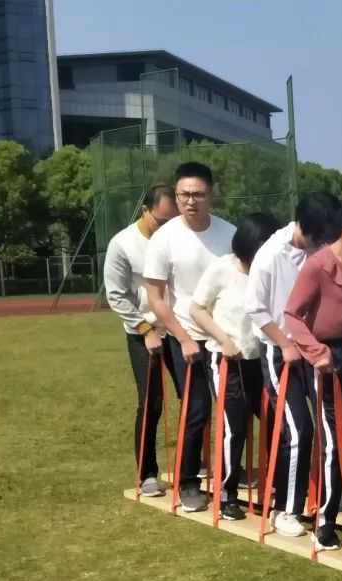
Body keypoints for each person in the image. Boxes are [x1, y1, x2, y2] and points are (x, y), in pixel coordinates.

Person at [284, 198, 342, 551]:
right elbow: (292, 314)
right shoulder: (318, 265)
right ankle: (324, 521)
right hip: (326, 357)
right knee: (337, 433)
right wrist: (316, 351)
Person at [245, 193, 342, 538]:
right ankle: (286, 509)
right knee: (299, 431)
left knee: (332, 426)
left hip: (312, 348)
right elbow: (255, 308)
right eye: (320, 235)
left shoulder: (322, 249)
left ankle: (326, 499)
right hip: (279, 350)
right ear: (307, 226)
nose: (323, 242)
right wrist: (286, 344)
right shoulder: (271, 253)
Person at [144, 162, 237, 512]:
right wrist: (182, 338)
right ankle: (188, 483)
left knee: (236, 410)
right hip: (187, 337)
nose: (190, 201)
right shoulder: (164, 238)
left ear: (211, 195)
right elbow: (156, 297)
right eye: (183, 195)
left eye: (198, 194)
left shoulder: (229, 234)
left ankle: (231, 476)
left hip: (227, 338)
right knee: (196, 410)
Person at [189, 212, 279, 521]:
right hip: (227, 360)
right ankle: (226, 494)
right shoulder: (222, 268)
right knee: (235, 427)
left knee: (276, 421)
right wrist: (223, 339)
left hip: (261, 360)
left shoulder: (269, 271)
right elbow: (197, 309)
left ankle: (278, 486)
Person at [103, 184, 179, 497]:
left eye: (172, 221)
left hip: (180, 330)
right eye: (161, 221)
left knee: (196, 398)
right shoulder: (122, 244)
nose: (167, 227)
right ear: (145, 210)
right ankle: (146, 474)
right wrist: (146, 330)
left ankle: (195, 465)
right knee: (152, 402)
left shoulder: (178, 237)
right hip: (143, 333)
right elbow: (116, 295)